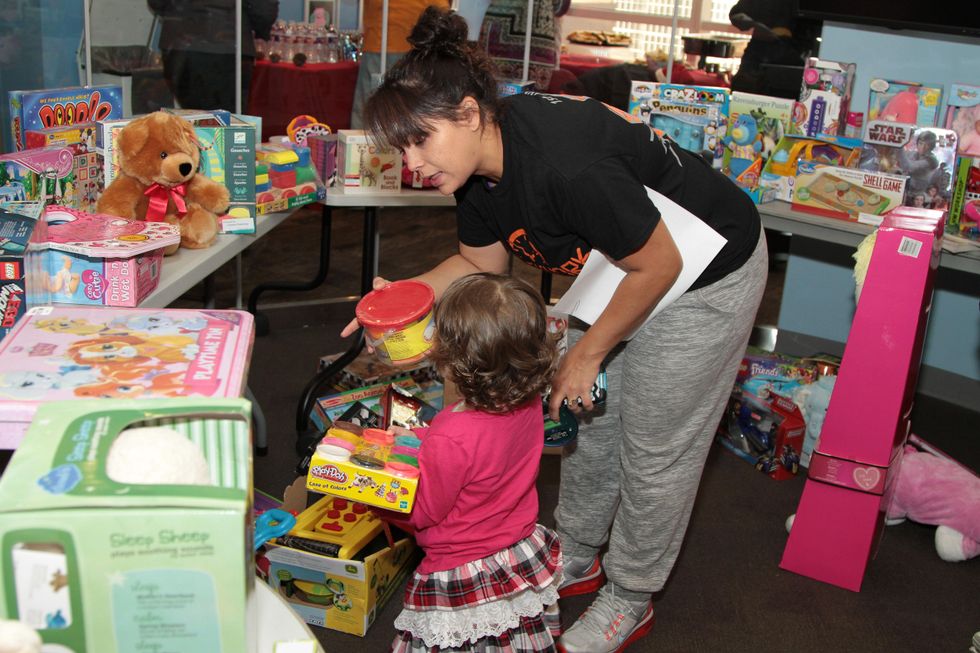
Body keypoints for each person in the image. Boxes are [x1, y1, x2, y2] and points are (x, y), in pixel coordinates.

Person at [346, 7, 769, 652]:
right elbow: (478, 264)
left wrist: (588, 352)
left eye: (419, 140)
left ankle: (630, 594)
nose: (411, 164)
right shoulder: (478, 172)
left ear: (467, 112)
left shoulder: (564, 164)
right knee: (590, 423)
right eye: (400, 148)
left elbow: (660, 264)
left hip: (705, 267)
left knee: (656, 448)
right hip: (621, 262)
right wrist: (401, 298)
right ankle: (576, 550)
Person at [377, 273, 562, 651]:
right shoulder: (526, 401)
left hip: (460, 560)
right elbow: (488, 453)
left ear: (454, 360)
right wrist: (419, 439)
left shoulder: (452, 433)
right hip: (512, 545)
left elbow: (423, 513)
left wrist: (377, 498)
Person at [147, 0, 278, 112]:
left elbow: (156, 2)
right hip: (229, 46)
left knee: (193, 118)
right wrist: (261, 32)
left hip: (179, 46)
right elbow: (264, 9)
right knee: (228, 125)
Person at [349, 0, 448, 129]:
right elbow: (442, 10)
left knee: (370, 107)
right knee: (410, 107)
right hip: (411, 44)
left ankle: (360, 144)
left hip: (388, 45)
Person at [728, 0, 821, 98]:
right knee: (743, 96)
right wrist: (755, 25)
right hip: (757, 57)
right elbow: (736, 14)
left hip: (794, 60)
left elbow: (822, 25)